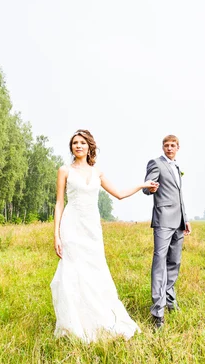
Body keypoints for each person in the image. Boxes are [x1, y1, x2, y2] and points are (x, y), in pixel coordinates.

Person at [50, 129, 158, 342]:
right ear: (71, 148)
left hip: (92, 228)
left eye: (82, 142)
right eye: (74, 143)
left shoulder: (97, 172)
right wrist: (56, 235)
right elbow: (59, 203)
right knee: (73, 272)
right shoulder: (64, 170)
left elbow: (118, 194)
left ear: (90, 146)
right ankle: (73, 324)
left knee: (95, 271)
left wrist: (142, 185)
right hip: (71, 226)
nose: (78, 146)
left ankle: (98, 320)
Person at [142, 134, 192, 329]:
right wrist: (150, 189)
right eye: (166, 145)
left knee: (175, 262)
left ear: (178, 147)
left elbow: (180, 196)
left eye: (172, 145)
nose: (169, 148)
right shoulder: (155, 163)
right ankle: (158, 312)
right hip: (163, 220)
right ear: (163, 147)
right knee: (159, 263)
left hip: (178, 221)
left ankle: (170, 301)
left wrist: (185, 219)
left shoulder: (177, 167)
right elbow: (147, 187)